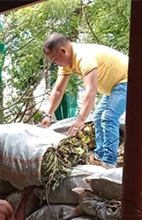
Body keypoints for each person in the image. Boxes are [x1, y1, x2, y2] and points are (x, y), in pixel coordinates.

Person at [40, 33, 128, 168]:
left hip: (128, 80)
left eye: (54, 60)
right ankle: (99, 156)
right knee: (98, 117)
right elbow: (58, 90)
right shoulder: (66, 64)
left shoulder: (84, 57)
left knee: (109, 117)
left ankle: (109, 162)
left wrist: (81, 119)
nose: (55, 63)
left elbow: (91, 90)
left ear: (63, 51)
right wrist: (48, 114)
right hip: (113, 87)